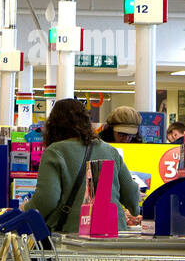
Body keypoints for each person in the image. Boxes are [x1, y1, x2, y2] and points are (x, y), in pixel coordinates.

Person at [24, 99, 142, 231]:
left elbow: (47, 199)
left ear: (53, 125)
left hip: (74, 235)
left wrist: (26, 210)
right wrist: (135, 209)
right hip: (112, 231)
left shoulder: (55, 152)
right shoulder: (110, 151)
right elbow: (131, 195)